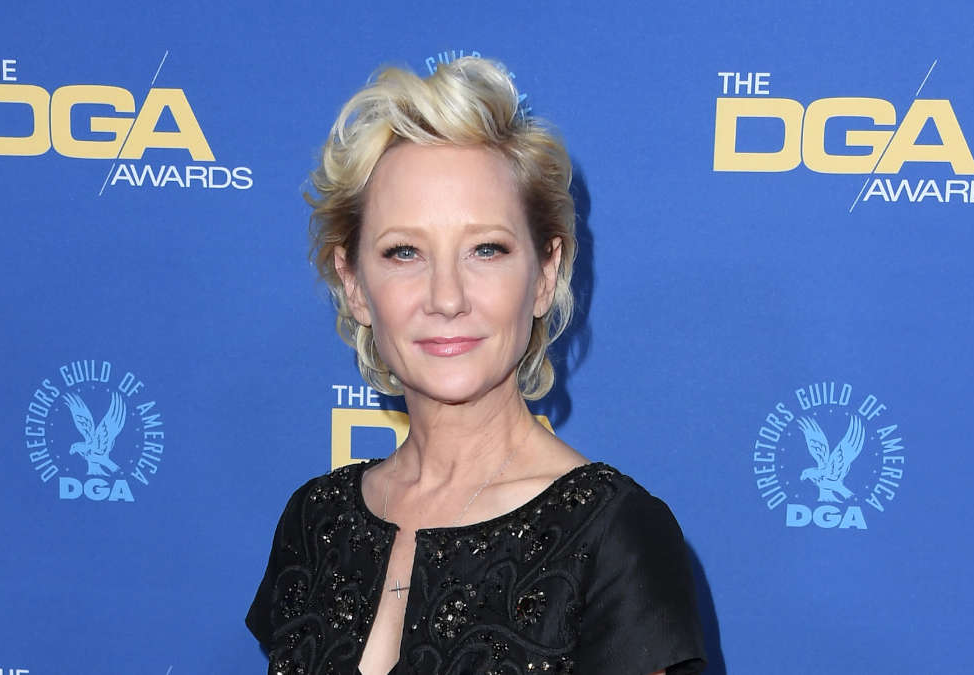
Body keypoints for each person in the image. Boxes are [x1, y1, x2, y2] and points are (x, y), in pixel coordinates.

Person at [247, 56, 706, 674]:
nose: (446, 297)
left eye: (486, 250)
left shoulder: (613, 538)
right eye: (404, 252)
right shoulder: (314, 521)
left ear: (545, 275)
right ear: (353, 283)